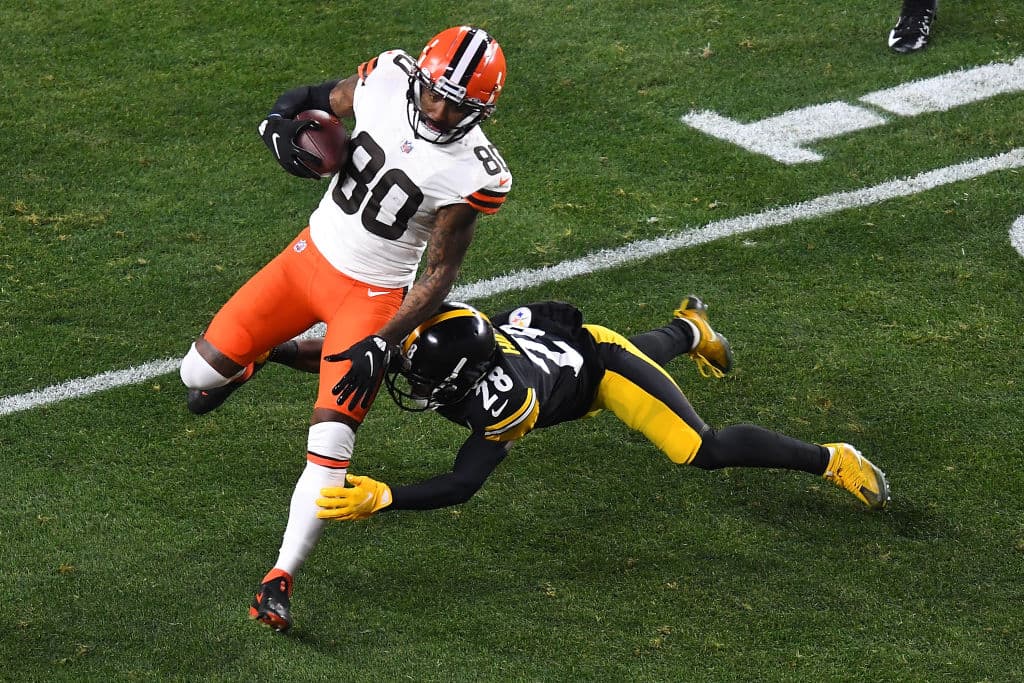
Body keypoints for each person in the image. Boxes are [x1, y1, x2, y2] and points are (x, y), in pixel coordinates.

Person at [178, 25, 511, 632]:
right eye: (436, 94)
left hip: (374, 297)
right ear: (422, 80)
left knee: (330, 455)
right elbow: (314, 95)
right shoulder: (387, 76)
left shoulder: (478, 173)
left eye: (458, 105)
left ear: (481, 109)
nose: (439, 111)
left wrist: (381, 342)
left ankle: (279, 579)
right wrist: (279, 122)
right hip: (305, 261)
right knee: (195, 373)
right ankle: (252, 360)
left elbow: (437, 276)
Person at [303, 297, 890, 523]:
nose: (410, 378)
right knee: (628, 353)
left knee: (698, 449)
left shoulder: (507, 401)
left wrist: (386, 496)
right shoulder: (456, 348)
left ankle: (832, 457)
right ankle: (690, 329)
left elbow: (463, 481)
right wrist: (261, 352)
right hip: (569, 353)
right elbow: (352, 359)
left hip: (596, 372)